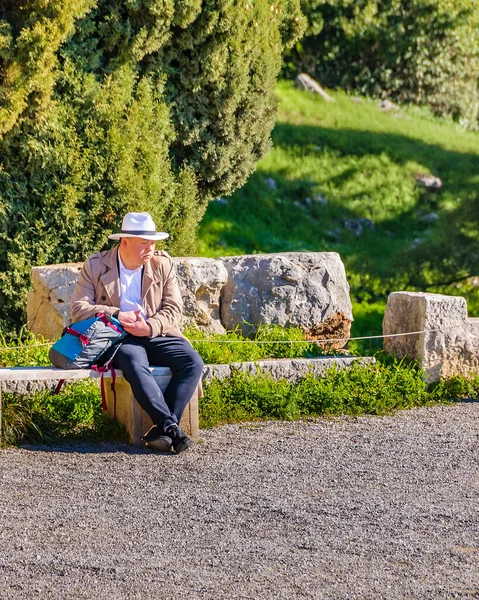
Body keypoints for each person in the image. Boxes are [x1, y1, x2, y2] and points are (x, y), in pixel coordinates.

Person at [71, 211, 204, 454]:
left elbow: (174, 309)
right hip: (118, 337)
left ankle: (164, 429)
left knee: (192, 361)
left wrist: (150, 326)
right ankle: (172, 428)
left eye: (153, 243)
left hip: (156, 333)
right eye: (145, 243)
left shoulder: (162, 264)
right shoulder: (97, 265)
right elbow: (79, 309)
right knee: (133, 360)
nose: (151, 249)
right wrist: (117, 314)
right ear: (125, 242)